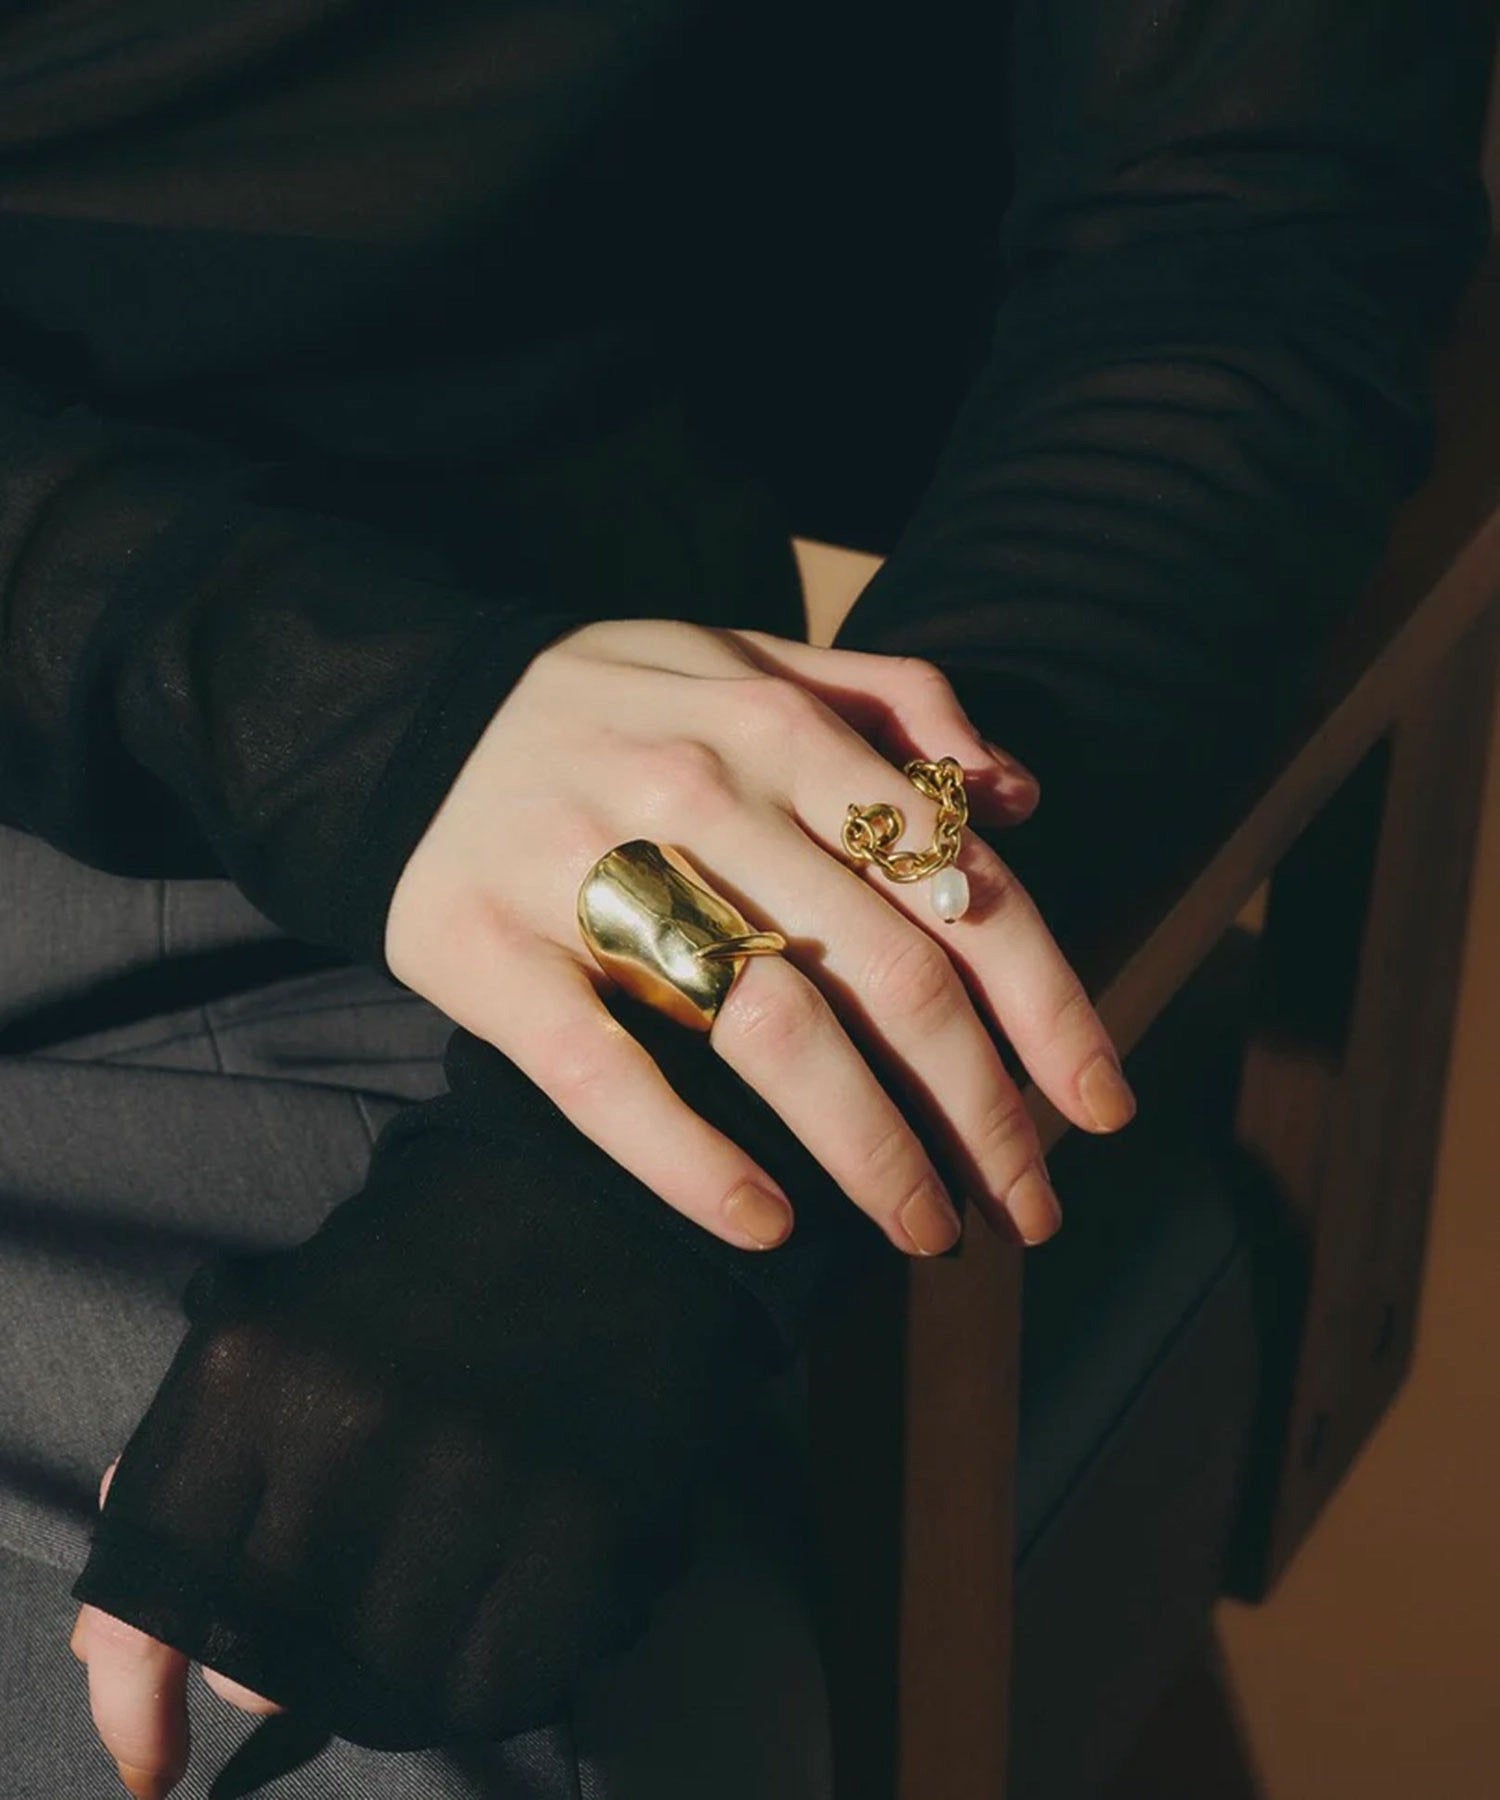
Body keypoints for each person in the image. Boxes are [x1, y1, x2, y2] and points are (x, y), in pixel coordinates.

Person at [0, 1, 1492, 1795]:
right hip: (334, 724)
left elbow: (1235, 254)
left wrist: (604, 1188)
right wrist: (308, 703)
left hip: (443, 869)